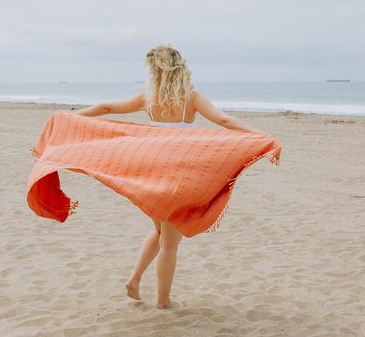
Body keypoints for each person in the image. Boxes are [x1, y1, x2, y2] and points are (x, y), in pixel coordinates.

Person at [73, 43, 261, 309]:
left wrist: (70, 116)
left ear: (155, 72)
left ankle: (134, 280)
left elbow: (106, 108)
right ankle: (163, 301)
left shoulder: (147, 100)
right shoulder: (193, 99)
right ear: (180, 67)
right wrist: (259, 134)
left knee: (160, 231)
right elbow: (226, 122)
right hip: (179, 177)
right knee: (170, 245)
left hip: (153, 175)